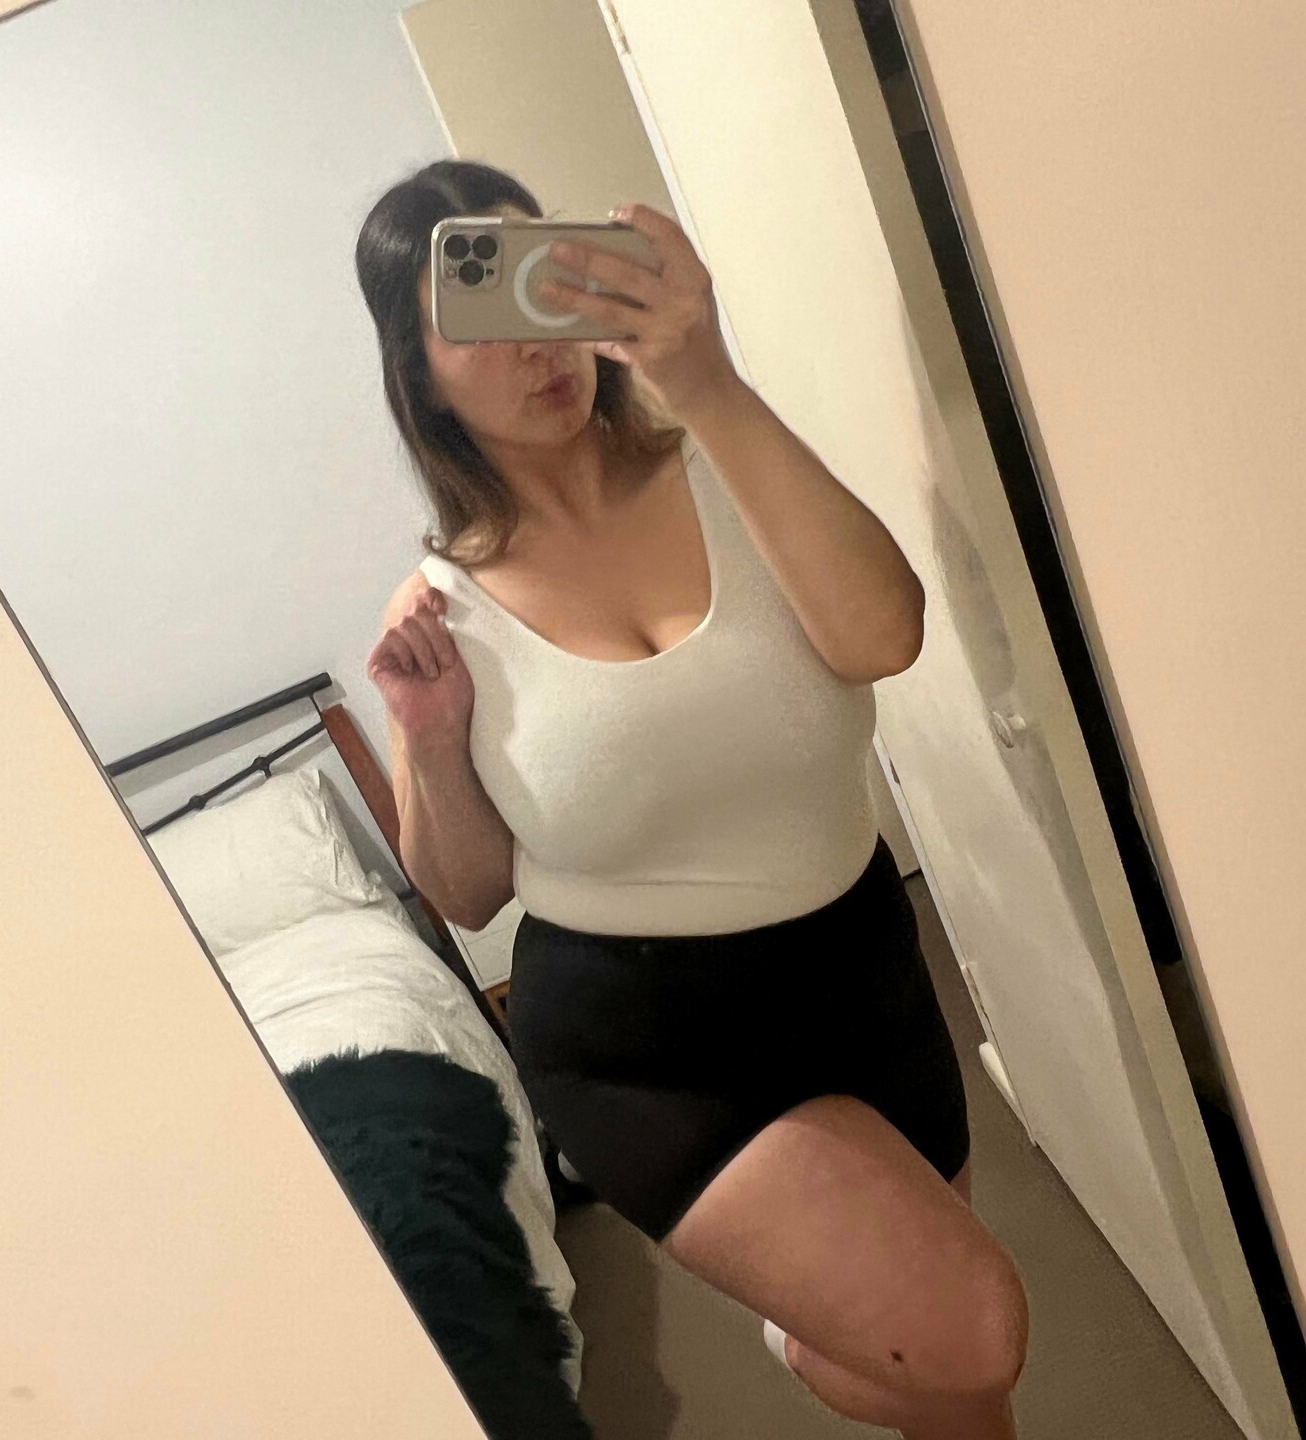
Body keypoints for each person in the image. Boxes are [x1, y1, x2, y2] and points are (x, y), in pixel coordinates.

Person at [356, 159, 1028, 1440]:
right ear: (419, 372)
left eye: (545, 280)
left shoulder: (730, 469)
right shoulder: (442, 613)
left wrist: (706, 378)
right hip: (645, 1046)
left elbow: (884, 636)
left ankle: (817, 1328)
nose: (533, 341)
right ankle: (819, 1324)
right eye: (477, 309)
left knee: (954, 1378)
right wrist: (429, 739)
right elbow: (466, 892)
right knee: (970, 1328)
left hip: (856, 965)